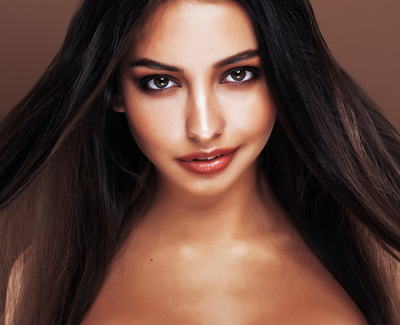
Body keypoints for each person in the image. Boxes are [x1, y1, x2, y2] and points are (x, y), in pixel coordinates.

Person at [1, 0, 399, 324]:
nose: (204, 128)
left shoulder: (383, 260)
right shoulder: (41, 278)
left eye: (238, 74)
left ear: (284, 76)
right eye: (161, 82)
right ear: (114, 92)